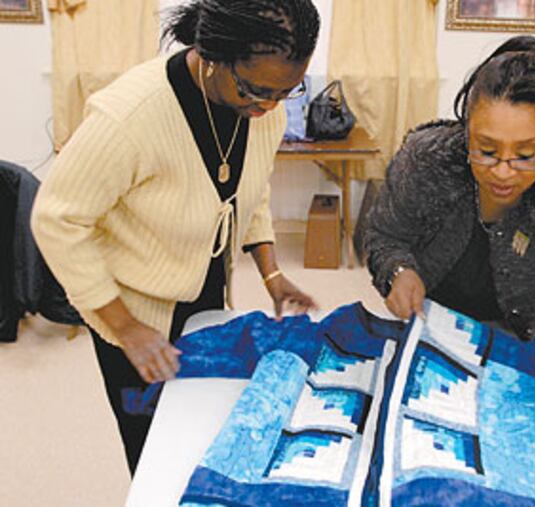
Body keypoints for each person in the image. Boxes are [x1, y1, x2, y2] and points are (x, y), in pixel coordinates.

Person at [32, 0, 320, 475]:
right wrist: (126, 328)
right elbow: (56, 219)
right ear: (211, 55)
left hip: (203, 293)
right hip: (130, 315)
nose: (269, 107)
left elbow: (250, 186)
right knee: (153, 454)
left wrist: (271, 271)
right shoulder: (131, 115)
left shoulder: (260, 110)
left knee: (201, 431)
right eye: (258, 90)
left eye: (287, 92)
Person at [364, 36, 535, 507]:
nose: (503, 171)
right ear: (466, 130)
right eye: (485, 150)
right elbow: (383, 235)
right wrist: (397, 270)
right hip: (426, 327)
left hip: (512, 335)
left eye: (526, 155)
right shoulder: (428, 158)